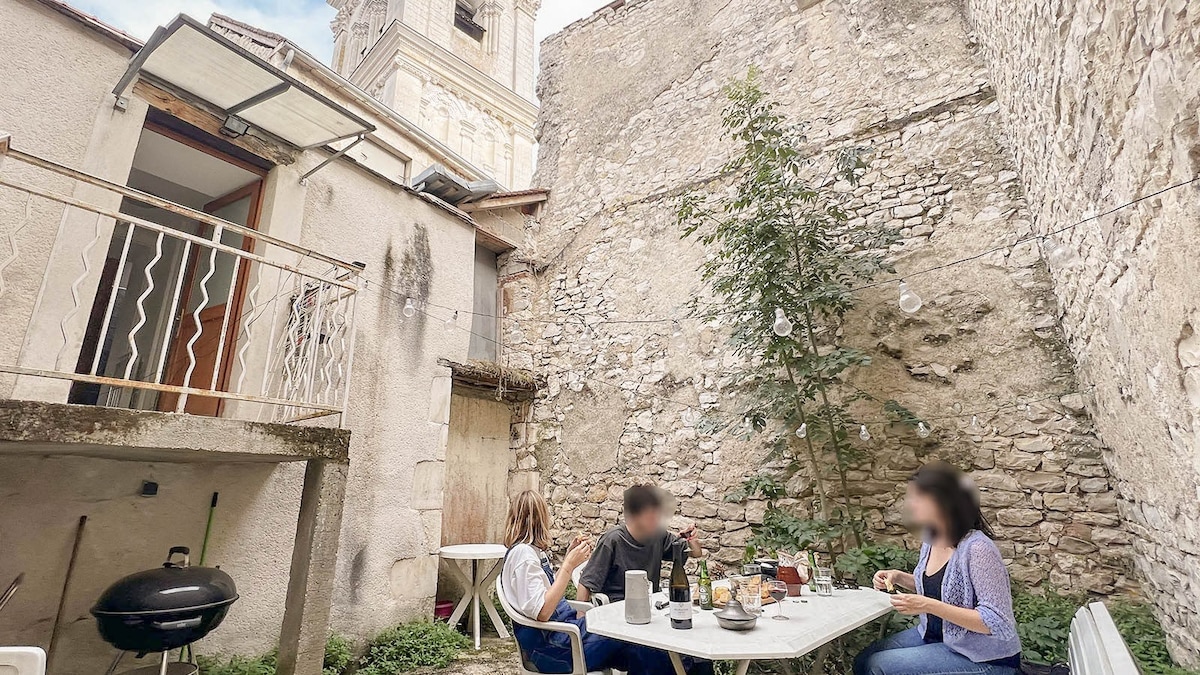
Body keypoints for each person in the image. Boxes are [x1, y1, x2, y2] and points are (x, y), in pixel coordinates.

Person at [854, 462, 1023, 675]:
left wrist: (928, 606)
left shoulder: (977, 548)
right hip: (937, 638)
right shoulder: (931, 538)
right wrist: (898, 577)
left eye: (917, 498)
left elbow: (996, 621)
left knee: (879, 665)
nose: (910, 504)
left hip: (986, 658)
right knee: (864, 660)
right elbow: (943, 588)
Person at [502, 490, 691, 675]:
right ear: (539, 519)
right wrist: (568, 566)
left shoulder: (530, 553)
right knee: (640, 638)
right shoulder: (523, 556)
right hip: (555, 648)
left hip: (564, 636)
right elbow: (542, 612)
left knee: (646, 649)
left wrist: (568, 556)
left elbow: (543, 596)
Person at [578, 484, 703, 603]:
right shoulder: (613, 540)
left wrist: (692, 540)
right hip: (617, 608)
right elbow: (586, 583)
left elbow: (696, 553)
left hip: (649, 606)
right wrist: (581, 617)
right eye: (651, 516)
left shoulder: (658, 535)